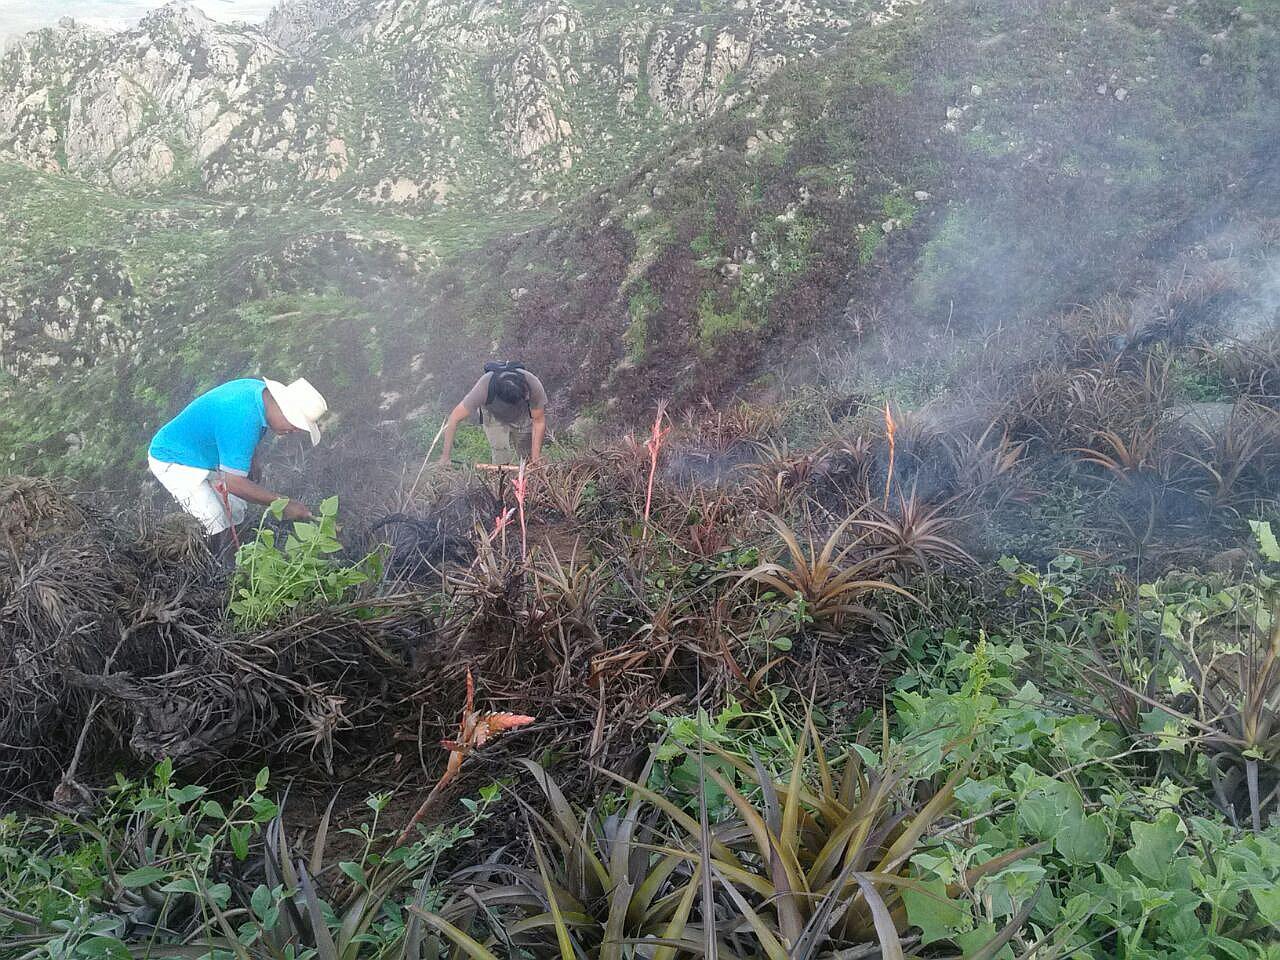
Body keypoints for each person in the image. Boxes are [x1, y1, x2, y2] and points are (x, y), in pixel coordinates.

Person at [148, 377, 329, 556]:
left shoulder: (260, 395)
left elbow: (244, 435)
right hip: (173, 459)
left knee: (236, 510)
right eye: (296, 424)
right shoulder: (242, 416)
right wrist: (284, 504)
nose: (294, 431)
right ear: (284, 409)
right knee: (214, 520)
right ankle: (220, 573)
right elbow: (233, 483)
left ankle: (237, 554)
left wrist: (252, 460)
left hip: (208, 456)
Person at [439, 362, 547, 465]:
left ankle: (527, 478)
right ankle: (501, 478)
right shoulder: (484, 387)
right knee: (501, 455)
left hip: (521, 416)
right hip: (493, 415)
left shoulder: (532, 384)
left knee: (528, 457)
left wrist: (536, 458)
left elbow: (539, 422)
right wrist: (445, 456)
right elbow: (453, 419)